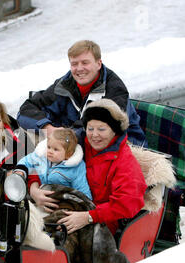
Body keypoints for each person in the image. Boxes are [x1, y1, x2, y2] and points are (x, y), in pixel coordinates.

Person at [17, 40, 147, 147]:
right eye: (74, 64)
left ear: (98, 64)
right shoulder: (65, 84)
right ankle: (16, 173)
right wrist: (47, 127)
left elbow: (100, 129)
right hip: (73, 141)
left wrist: (65, 136)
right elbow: (26, 110)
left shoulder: (115, 89)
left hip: (121, 147)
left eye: (85, 63)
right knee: (21, 135)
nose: (79, 69)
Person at [57, 98, 147, 236]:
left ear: (114, 130)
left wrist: (88, 217)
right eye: (90, 128)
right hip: (69, 205)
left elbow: (127, 203)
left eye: (102, 129)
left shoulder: (125, 162)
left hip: (101, 221)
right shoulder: (76, 143)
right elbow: (39, 156)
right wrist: (34, 187)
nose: (94, 135)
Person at [16, 128, 92, 201]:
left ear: (68, 154)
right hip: (36, 196)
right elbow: (26, 161)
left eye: (56, 149)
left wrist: (84, 203)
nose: (50, 151)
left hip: (60, 201)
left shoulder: (76, 168)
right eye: (49, 147)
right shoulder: (41, 157)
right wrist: (20, 171)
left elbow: (82, 189)